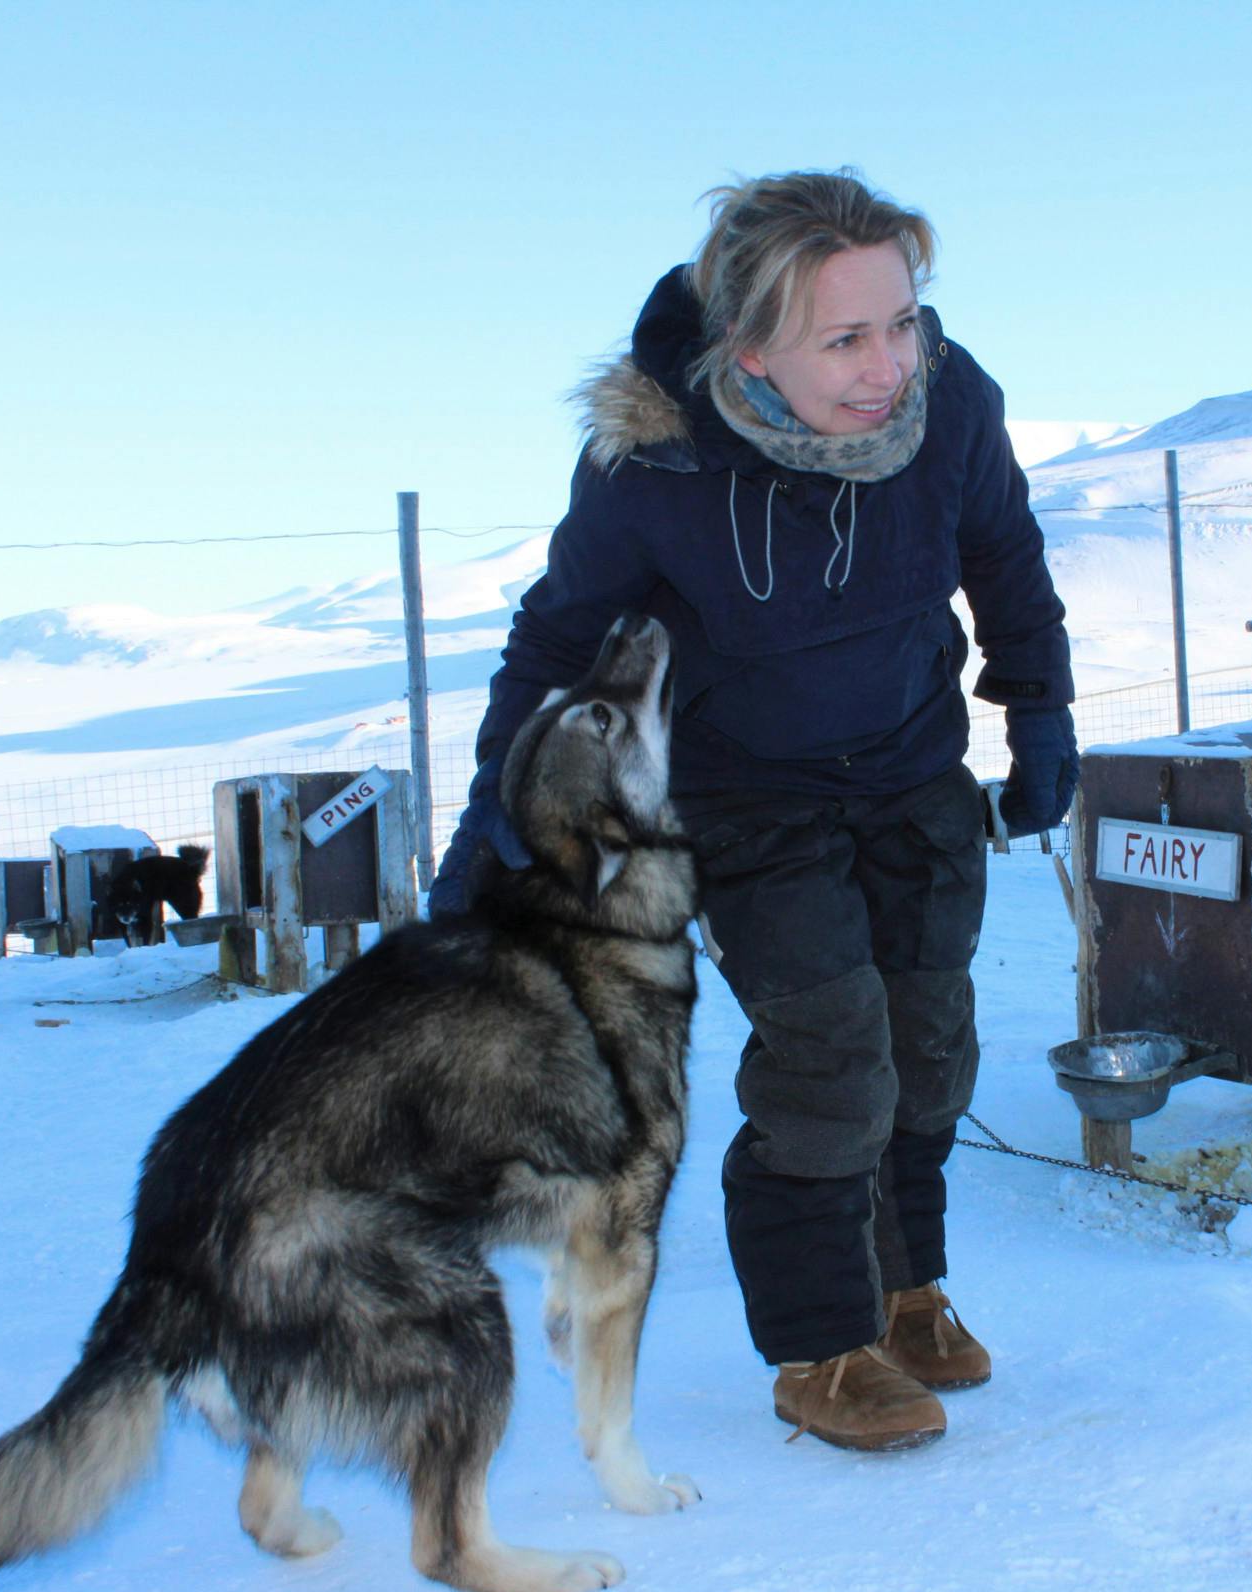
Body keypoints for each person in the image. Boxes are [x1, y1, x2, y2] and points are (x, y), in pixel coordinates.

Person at [429, 169, 1076, 1452]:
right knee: (832, 1053)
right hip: (745, 795)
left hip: (910, 769)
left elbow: (1002, 551)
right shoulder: (652, 461)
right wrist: (490, 815)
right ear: (749, 346)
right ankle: (818, 1345)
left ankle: (906, 1290)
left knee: (928, 1043)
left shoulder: (951, 405)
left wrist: (1039, 707)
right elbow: (559, 633)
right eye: (844, 338)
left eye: (903, 320)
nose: (889, 362)